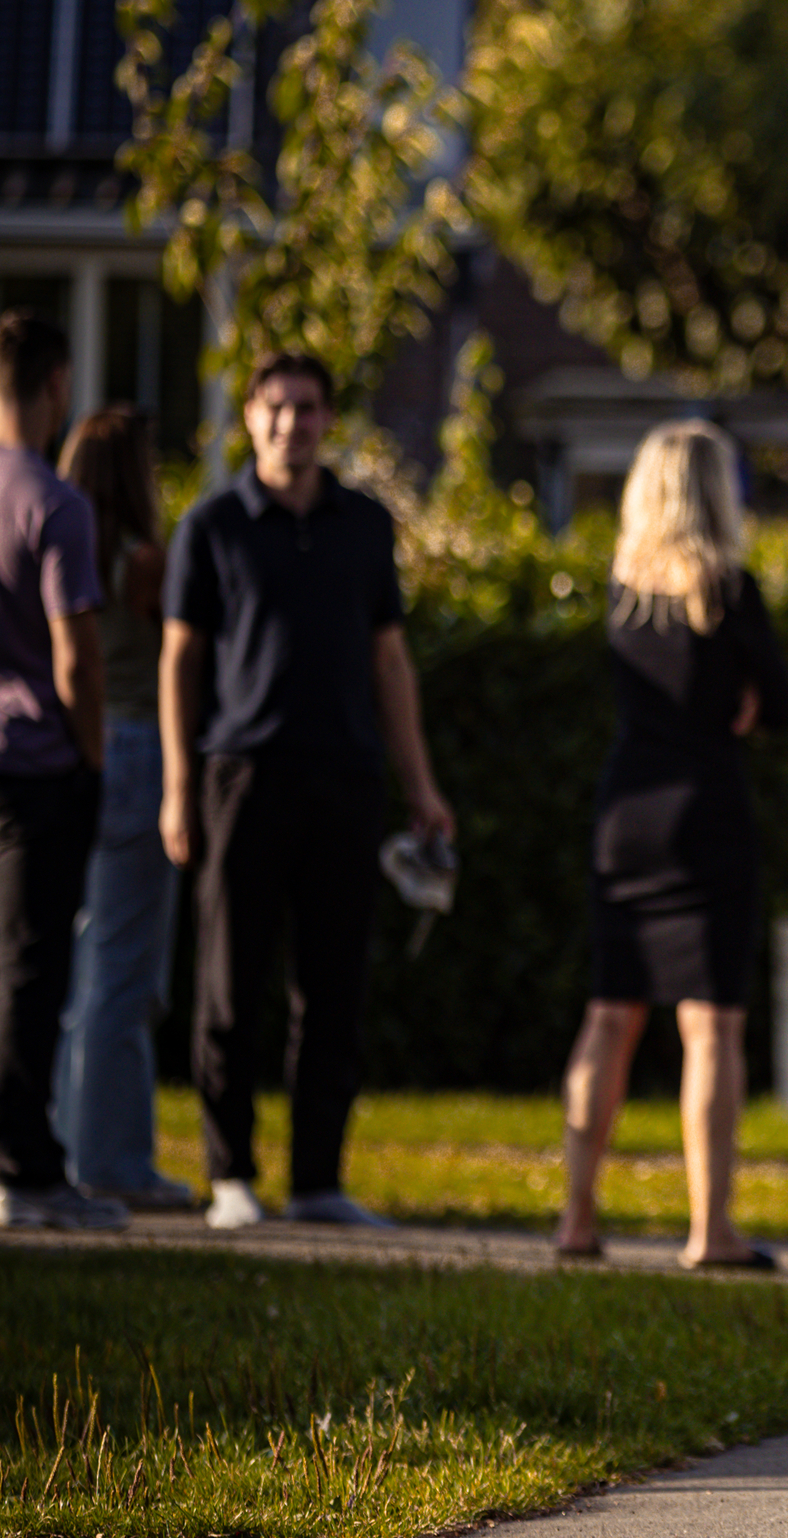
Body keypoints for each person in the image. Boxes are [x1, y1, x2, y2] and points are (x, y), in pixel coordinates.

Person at [161, 350, 454, 1228]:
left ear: (329, 419)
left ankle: (319, 1182)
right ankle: (231, 1178)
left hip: (347, 777)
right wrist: (179, 787)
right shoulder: (211, 526)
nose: (292, 423)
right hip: (239, 778)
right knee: (228, 984)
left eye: (308, 408)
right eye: (276, 408)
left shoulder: (365, 526)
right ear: (249, 418)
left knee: (331, 988)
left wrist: (422, 785)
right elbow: (181, 659)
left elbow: (389, 661)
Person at [556, 420, 788, 1266]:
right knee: (712, 1029)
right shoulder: (727, 589)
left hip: (626, 813)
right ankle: (710, 1229)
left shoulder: (622, 589)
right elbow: (782, 698)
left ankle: (577, 1219)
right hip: (705, 814)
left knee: (608, 1015)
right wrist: (752, 705)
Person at [52, 406, 192, 1208]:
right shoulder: (144, 562)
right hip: (136, 751)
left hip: (65, 754)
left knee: (80, 967)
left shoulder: (59, 550)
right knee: (126, 971)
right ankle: (111, 1160)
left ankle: (72, 1142)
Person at [0, 312, 122, 1231]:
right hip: (39, 766)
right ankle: (28, 1168)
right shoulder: (56, 503)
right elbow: (76, 657)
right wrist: (93, 755)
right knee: (34, 970)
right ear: (56, 387)